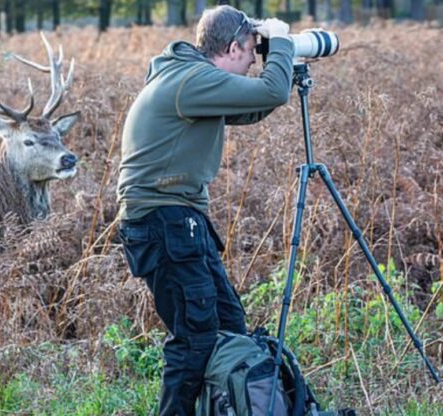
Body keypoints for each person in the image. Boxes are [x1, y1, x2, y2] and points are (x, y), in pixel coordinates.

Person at [116, 6, 294, 416]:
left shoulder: (189, 77)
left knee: (228, 325)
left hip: (176, 221)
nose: (253, 61)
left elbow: (253, 106)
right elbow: (271, 92)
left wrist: (281, 61)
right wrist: (281, 42)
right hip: (164, 221)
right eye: (252, 51)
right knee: (195, 337)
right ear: (232, 47)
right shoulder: (190, 80)